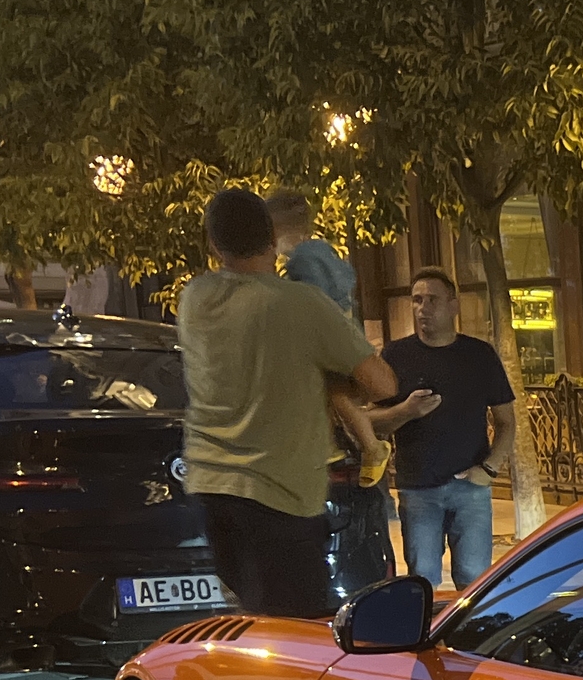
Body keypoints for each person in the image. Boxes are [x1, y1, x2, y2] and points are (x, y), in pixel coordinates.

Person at [177, 186, 397, 619]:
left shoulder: (195, 299)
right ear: (273, 239)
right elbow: (383, 384)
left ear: (214, 245)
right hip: (281, 496)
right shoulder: (300, 305)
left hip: (211, 490)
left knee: (254, 620)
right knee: (292, 632)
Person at [266, 188, 433, 595]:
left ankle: (372, 446)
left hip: (328, 336)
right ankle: (369, 445)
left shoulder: (301, 263)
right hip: (343, 334)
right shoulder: (323, 253)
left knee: (334, 392)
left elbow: (308, 302)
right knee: (339, 393)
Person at [384, 266, 514, 591]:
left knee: (474, 582)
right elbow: (373, 422)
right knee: (421, 583)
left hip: (470, 489)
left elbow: (506, 421)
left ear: (453, 306)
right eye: (416, 300)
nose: (423, 308)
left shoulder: (479, 355)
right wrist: (406, 410)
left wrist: (490, 468)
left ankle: (468, 641)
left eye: (432, 300)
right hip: (418, 489)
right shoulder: (396, 355)